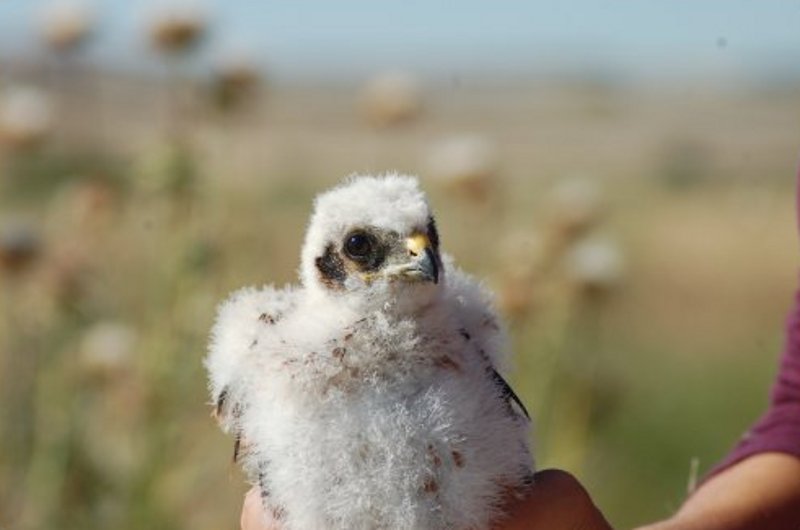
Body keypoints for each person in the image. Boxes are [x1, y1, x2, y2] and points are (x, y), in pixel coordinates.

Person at [242, 175, 800, 530]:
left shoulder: (460, 330)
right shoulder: (281, 350)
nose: (418, 257)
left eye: (425, 238)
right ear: (324, 261)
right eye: (364, 248)